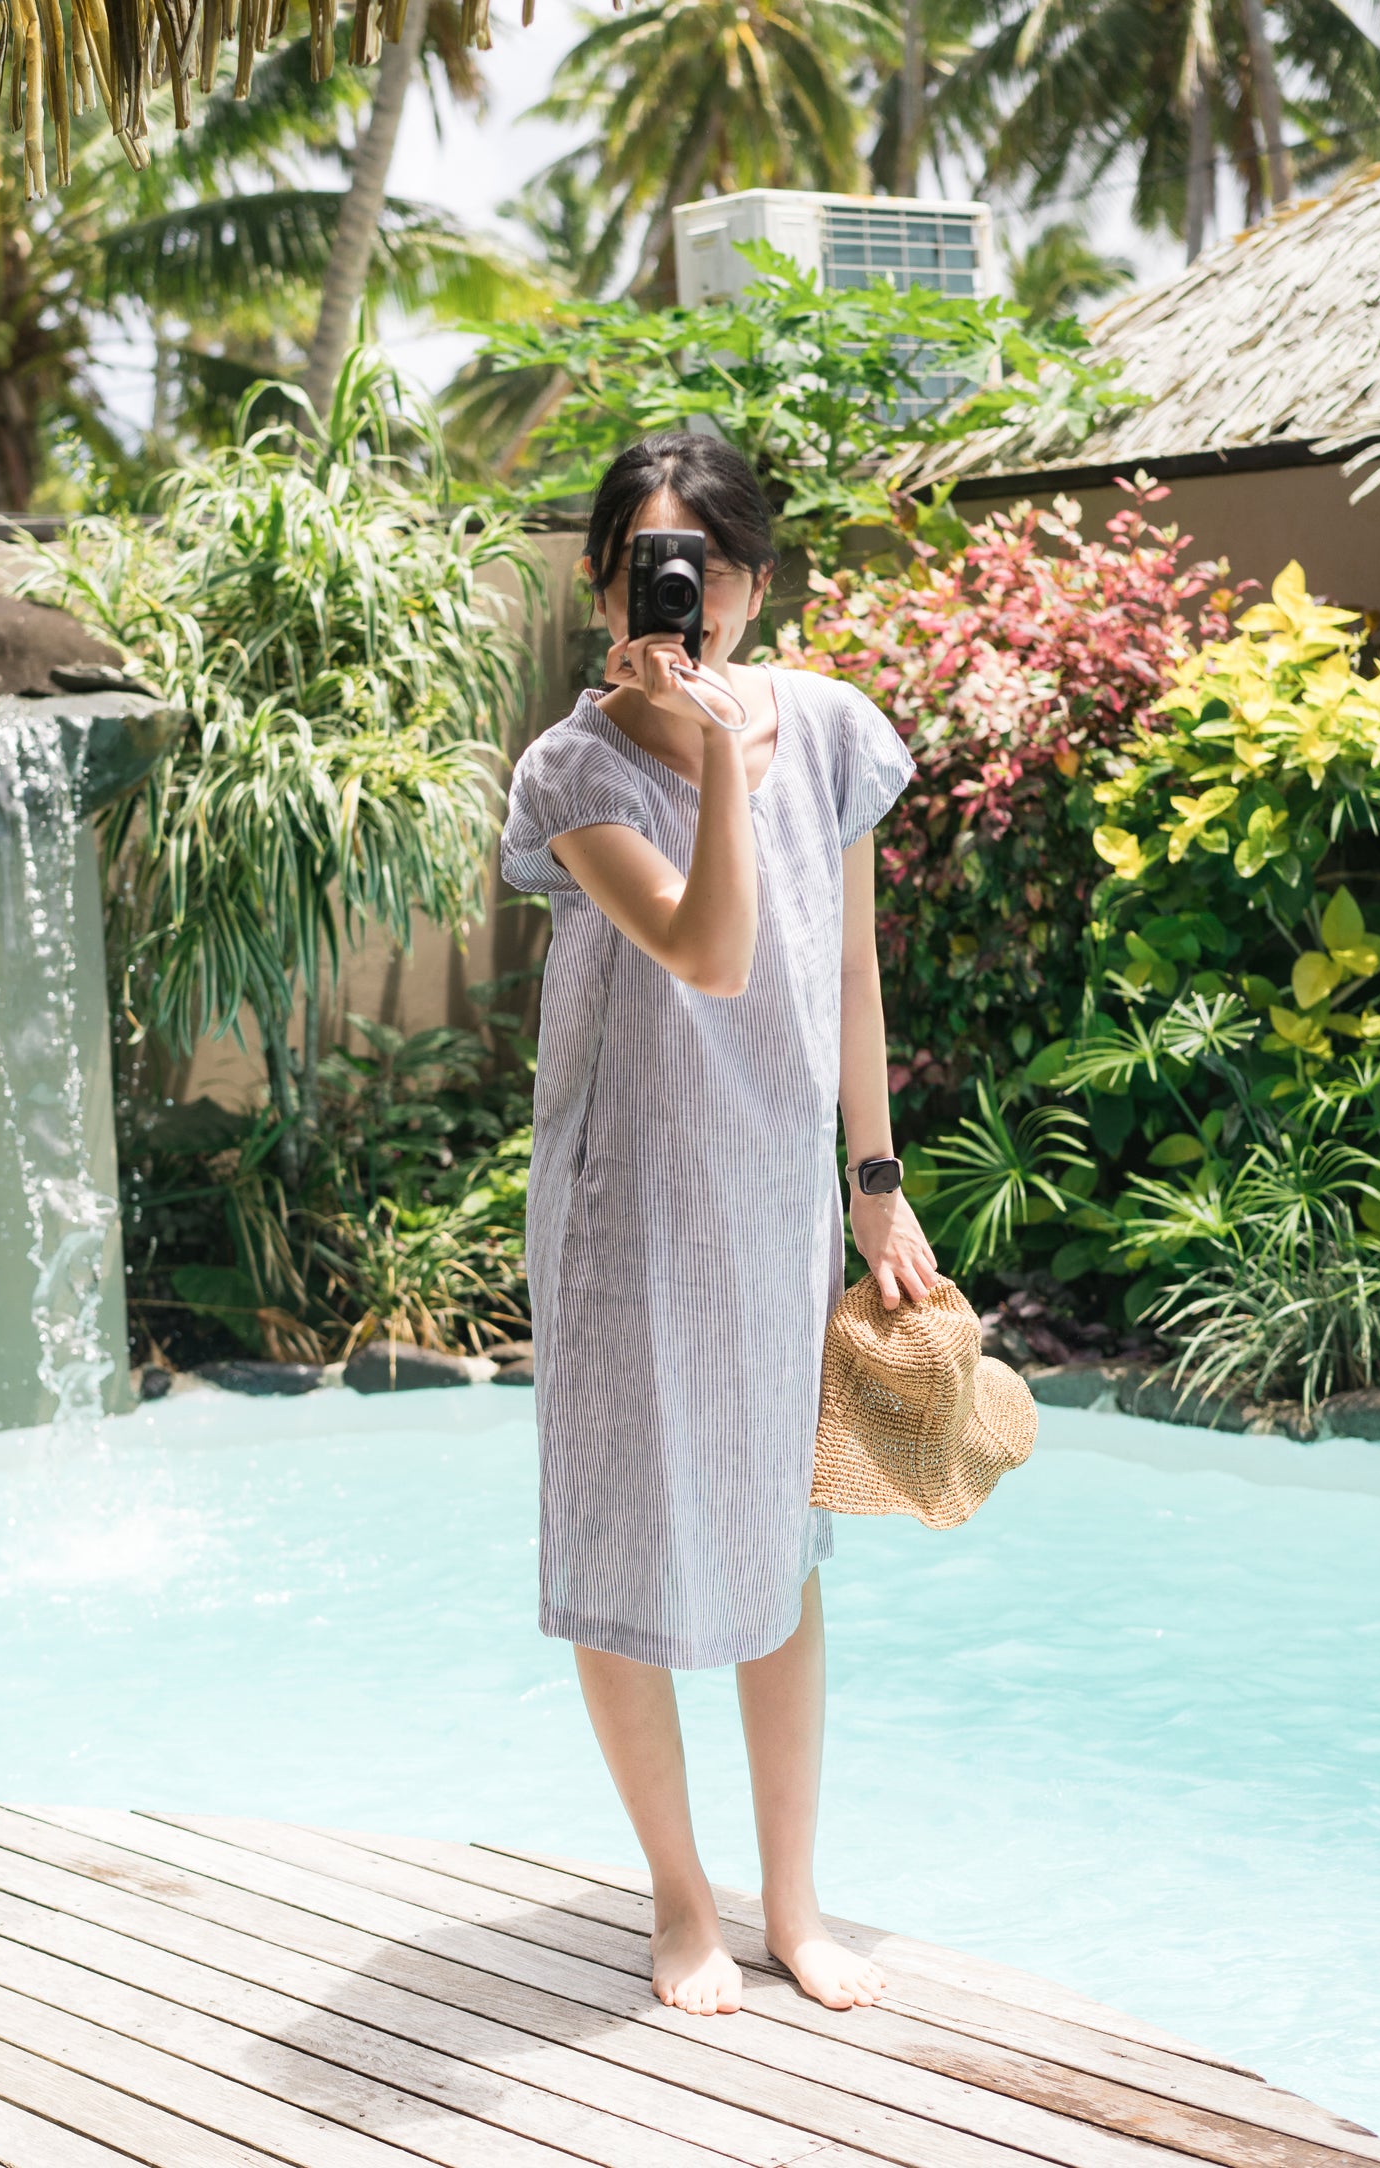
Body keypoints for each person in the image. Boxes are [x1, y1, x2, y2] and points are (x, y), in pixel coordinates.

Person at [499, 432, 939, 2020]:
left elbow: (845, 971)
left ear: (756, 580)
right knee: (621, 1525)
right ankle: (680, 1901)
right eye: (640, 565)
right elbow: (705, 946)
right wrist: (722, 775)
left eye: (705, 568)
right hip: (622, 1203)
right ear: (603, 580)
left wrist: (873, 1184)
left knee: (775, 1547)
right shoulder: (569, 772)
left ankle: (792, 1902)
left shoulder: (828, 728)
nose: (675, 596)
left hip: (766, 1201)